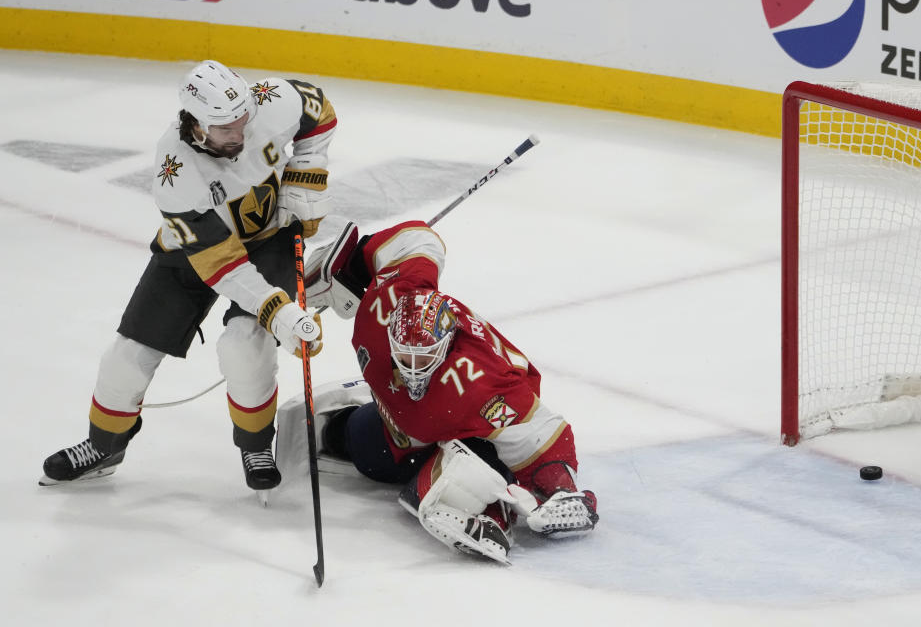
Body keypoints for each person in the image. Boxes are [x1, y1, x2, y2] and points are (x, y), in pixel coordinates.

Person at [40, 60, 336, 497]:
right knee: (125, 357)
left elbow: (320, 112)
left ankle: (255, 446)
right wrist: (282, 313)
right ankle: (104, 447)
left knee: (244, 346)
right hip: (196, 252)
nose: (240, 136)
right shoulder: (175, 173)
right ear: (196, 124)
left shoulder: (267, 102)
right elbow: (223, 266)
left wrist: (306, 174)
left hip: (270, 238)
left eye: (243, 123)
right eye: (226, 131)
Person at [292, 220, 598, 563]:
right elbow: (417, 237)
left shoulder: (481, 385)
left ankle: (491, 504)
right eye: (403, 354)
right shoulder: (393, 295)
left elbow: (541, 434)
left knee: (461, 473)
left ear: (446, 343)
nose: (410, 367)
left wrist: (564, 491)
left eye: (422, 357)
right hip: (400, 425)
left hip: (467, 426)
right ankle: (468, 488)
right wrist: (352, 263)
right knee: (359, 448)